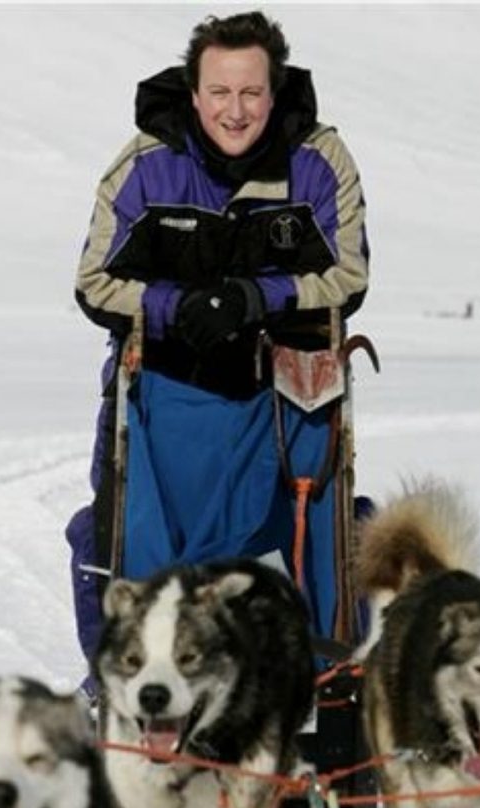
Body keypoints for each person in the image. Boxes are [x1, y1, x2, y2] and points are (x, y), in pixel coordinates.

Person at [67, 10, 369, 701]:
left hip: (286, 392)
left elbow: (347, 276)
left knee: (319, 532)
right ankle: (118, 682)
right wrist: (178, 308)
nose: (236, 112)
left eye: (252, 93)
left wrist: (253, 298)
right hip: (168, 387)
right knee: (113, 536)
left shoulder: (318, 161)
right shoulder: (145, 165)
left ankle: (325, 680)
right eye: (220, 93)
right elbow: (93, 283)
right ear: (193, 91)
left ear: (276, 89)